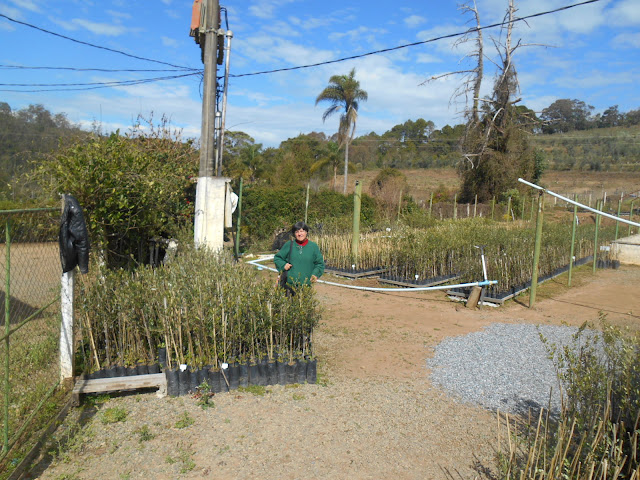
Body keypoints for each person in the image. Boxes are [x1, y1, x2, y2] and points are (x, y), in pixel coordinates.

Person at [274, 221, 324, 295]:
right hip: (289, 287)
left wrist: (315, 274)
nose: (299, 234)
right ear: (294, 234)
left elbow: (319, 264)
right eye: (297, 232)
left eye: (302, 231)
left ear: (306, 232)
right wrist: (283, 265)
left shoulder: (313, 247)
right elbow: (278, 258)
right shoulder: (289, 245)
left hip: (306, 287)